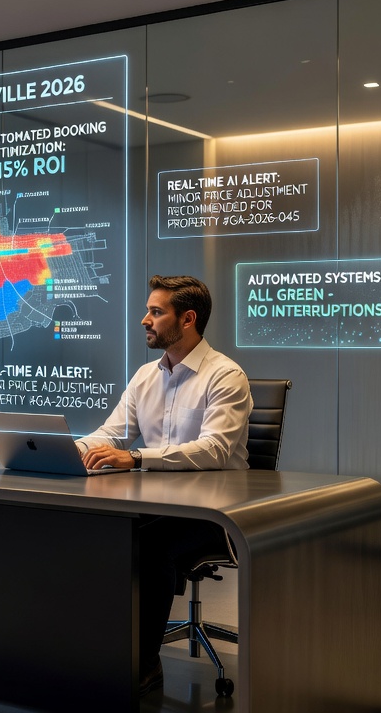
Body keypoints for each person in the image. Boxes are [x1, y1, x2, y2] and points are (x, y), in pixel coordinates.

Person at [75, 274, 252, 696]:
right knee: (105, 530)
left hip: (218, 515)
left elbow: (213, 450)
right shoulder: (145, 376)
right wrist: (70, 450)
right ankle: (98, 649)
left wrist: (136, 457)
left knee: (147, 545)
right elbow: (112, 434)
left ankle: (143, 665)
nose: (144, 320)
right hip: (158, 502)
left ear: (187, 319)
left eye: (156, 312)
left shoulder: (225, 376)